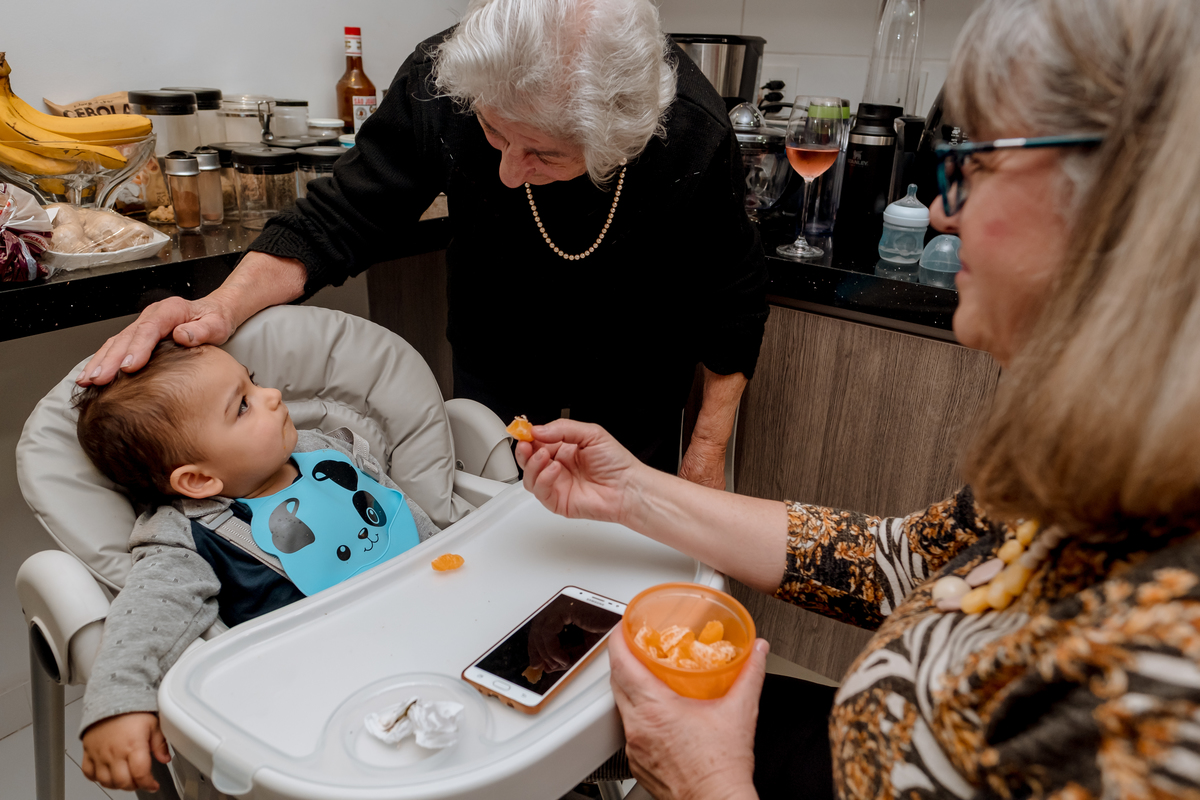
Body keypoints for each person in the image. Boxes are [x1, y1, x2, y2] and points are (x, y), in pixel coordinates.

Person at [516, 0, 1200, 796]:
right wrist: (631, 491)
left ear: (1126, 202)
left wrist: (701, 777)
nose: (940, 210)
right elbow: (891, 562)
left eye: (972, 167)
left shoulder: (1168, 680)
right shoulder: (1094, 466)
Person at [78, 0, 768, 489]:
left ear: (619, 141)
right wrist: (219, 308)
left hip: (638, 362)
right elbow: (342, 214)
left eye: (543, 154)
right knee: (495, 516)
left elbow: (732, 295)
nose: (507, 172)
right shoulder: (445, 81)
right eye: (494, 134)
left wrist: (706, 455)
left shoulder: (686, 131)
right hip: (497, 344)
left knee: (621, 546)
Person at [72, 341, 441, 793]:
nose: (272, 395)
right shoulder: (189, 535)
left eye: (253, 381)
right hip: (337, 692)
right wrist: (118, 701)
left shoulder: (324, 449)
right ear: (198, 479)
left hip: (436, 622)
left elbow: (397, 512)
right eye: (243, 405)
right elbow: (146, 613)